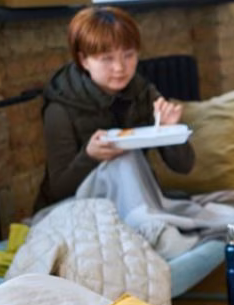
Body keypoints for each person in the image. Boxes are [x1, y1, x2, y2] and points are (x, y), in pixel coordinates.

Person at [34, 6, 193, 211]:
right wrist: (89, 156)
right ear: (84, 60)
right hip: (76, 207)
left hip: (132, 200)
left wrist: (170, 130)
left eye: (128, 55)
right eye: (106, 58)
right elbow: (59, 189)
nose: (120, 67)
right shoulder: (60, 107)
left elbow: (184, 166)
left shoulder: (142, 92)